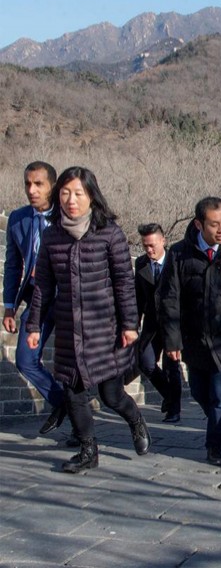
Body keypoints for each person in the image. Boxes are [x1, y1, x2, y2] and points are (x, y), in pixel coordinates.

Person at [26, 166, 150, 473]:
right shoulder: (52, 236)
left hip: (105, 330)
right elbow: (43, 285)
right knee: (74, 394)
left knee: (111, 395)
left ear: (91, 196)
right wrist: (33, 325)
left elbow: (124, 282)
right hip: (69, 330)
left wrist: (129, 325)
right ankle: (87, 451)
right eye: (65, 193)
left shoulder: (110, 233)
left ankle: (136, 420)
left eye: (78, 193)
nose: (71, 200)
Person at [159, 197, 221, 467]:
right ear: (199, 224)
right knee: (199, 392)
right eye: (214, 224)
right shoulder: (179, 254)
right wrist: (172, 341)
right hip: (193, 339)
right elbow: (169, 299)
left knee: (219, 395)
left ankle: (215, 447)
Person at [3, 161, 68, 436]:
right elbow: (12, 265)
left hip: (66, 299)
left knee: (72, 364)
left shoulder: (67, 216)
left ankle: (81, 430)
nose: (32, 190)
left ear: (52, 186)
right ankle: (64, 404)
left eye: (38, 184)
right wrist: (9, 306)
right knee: (25, 359)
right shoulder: (18, 219)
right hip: (37, 300)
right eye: (27, 184)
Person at [134, 223, 182, 423]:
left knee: (172, 367)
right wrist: (133, 325)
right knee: (145, 362)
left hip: (173, 323)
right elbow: (138, 297)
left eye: (152, 245)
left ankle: (174, 410)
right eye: (145, 246)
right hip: (152, 323)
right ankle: (169, 396)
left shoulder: (176, 261)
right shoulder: (141, 264)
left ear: (163, 241)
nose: (149, 250)